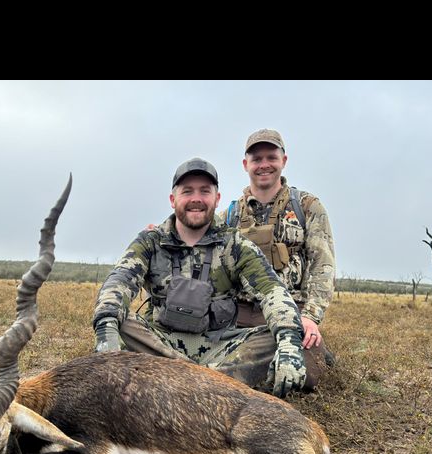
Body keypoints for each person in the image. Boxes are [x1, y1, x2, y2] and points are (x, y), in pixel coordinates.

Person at [92, 157, 307, 398]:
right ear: (173, 200)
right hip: (159, 345)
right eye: (188, 191)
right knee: (119, 322)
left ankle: (177, 381)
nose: (196, 199)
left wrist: (289, 339)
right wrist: (106, 327)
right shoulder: (150, 241)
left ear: (217, 199)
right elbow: (119, 280)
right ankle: (211, 384)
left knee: (279, 339)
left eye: (205, 191)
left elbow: (272, 291)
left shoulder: (234, 244)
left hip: (221, 347)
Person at [220, 129, 336, 390]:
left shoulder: (307, 206)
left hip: (291, 316)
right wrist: (159, 234)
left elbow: (323, 266)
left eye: (271, 157)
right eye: (256, 159)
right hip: (237, 318)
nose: (264, 165)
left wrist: (309, 318)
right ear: (245, 165)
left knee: (306, 374)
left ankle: (311, 354)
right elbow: (193, 235)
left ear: (283, 161)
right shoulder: (228, 215)